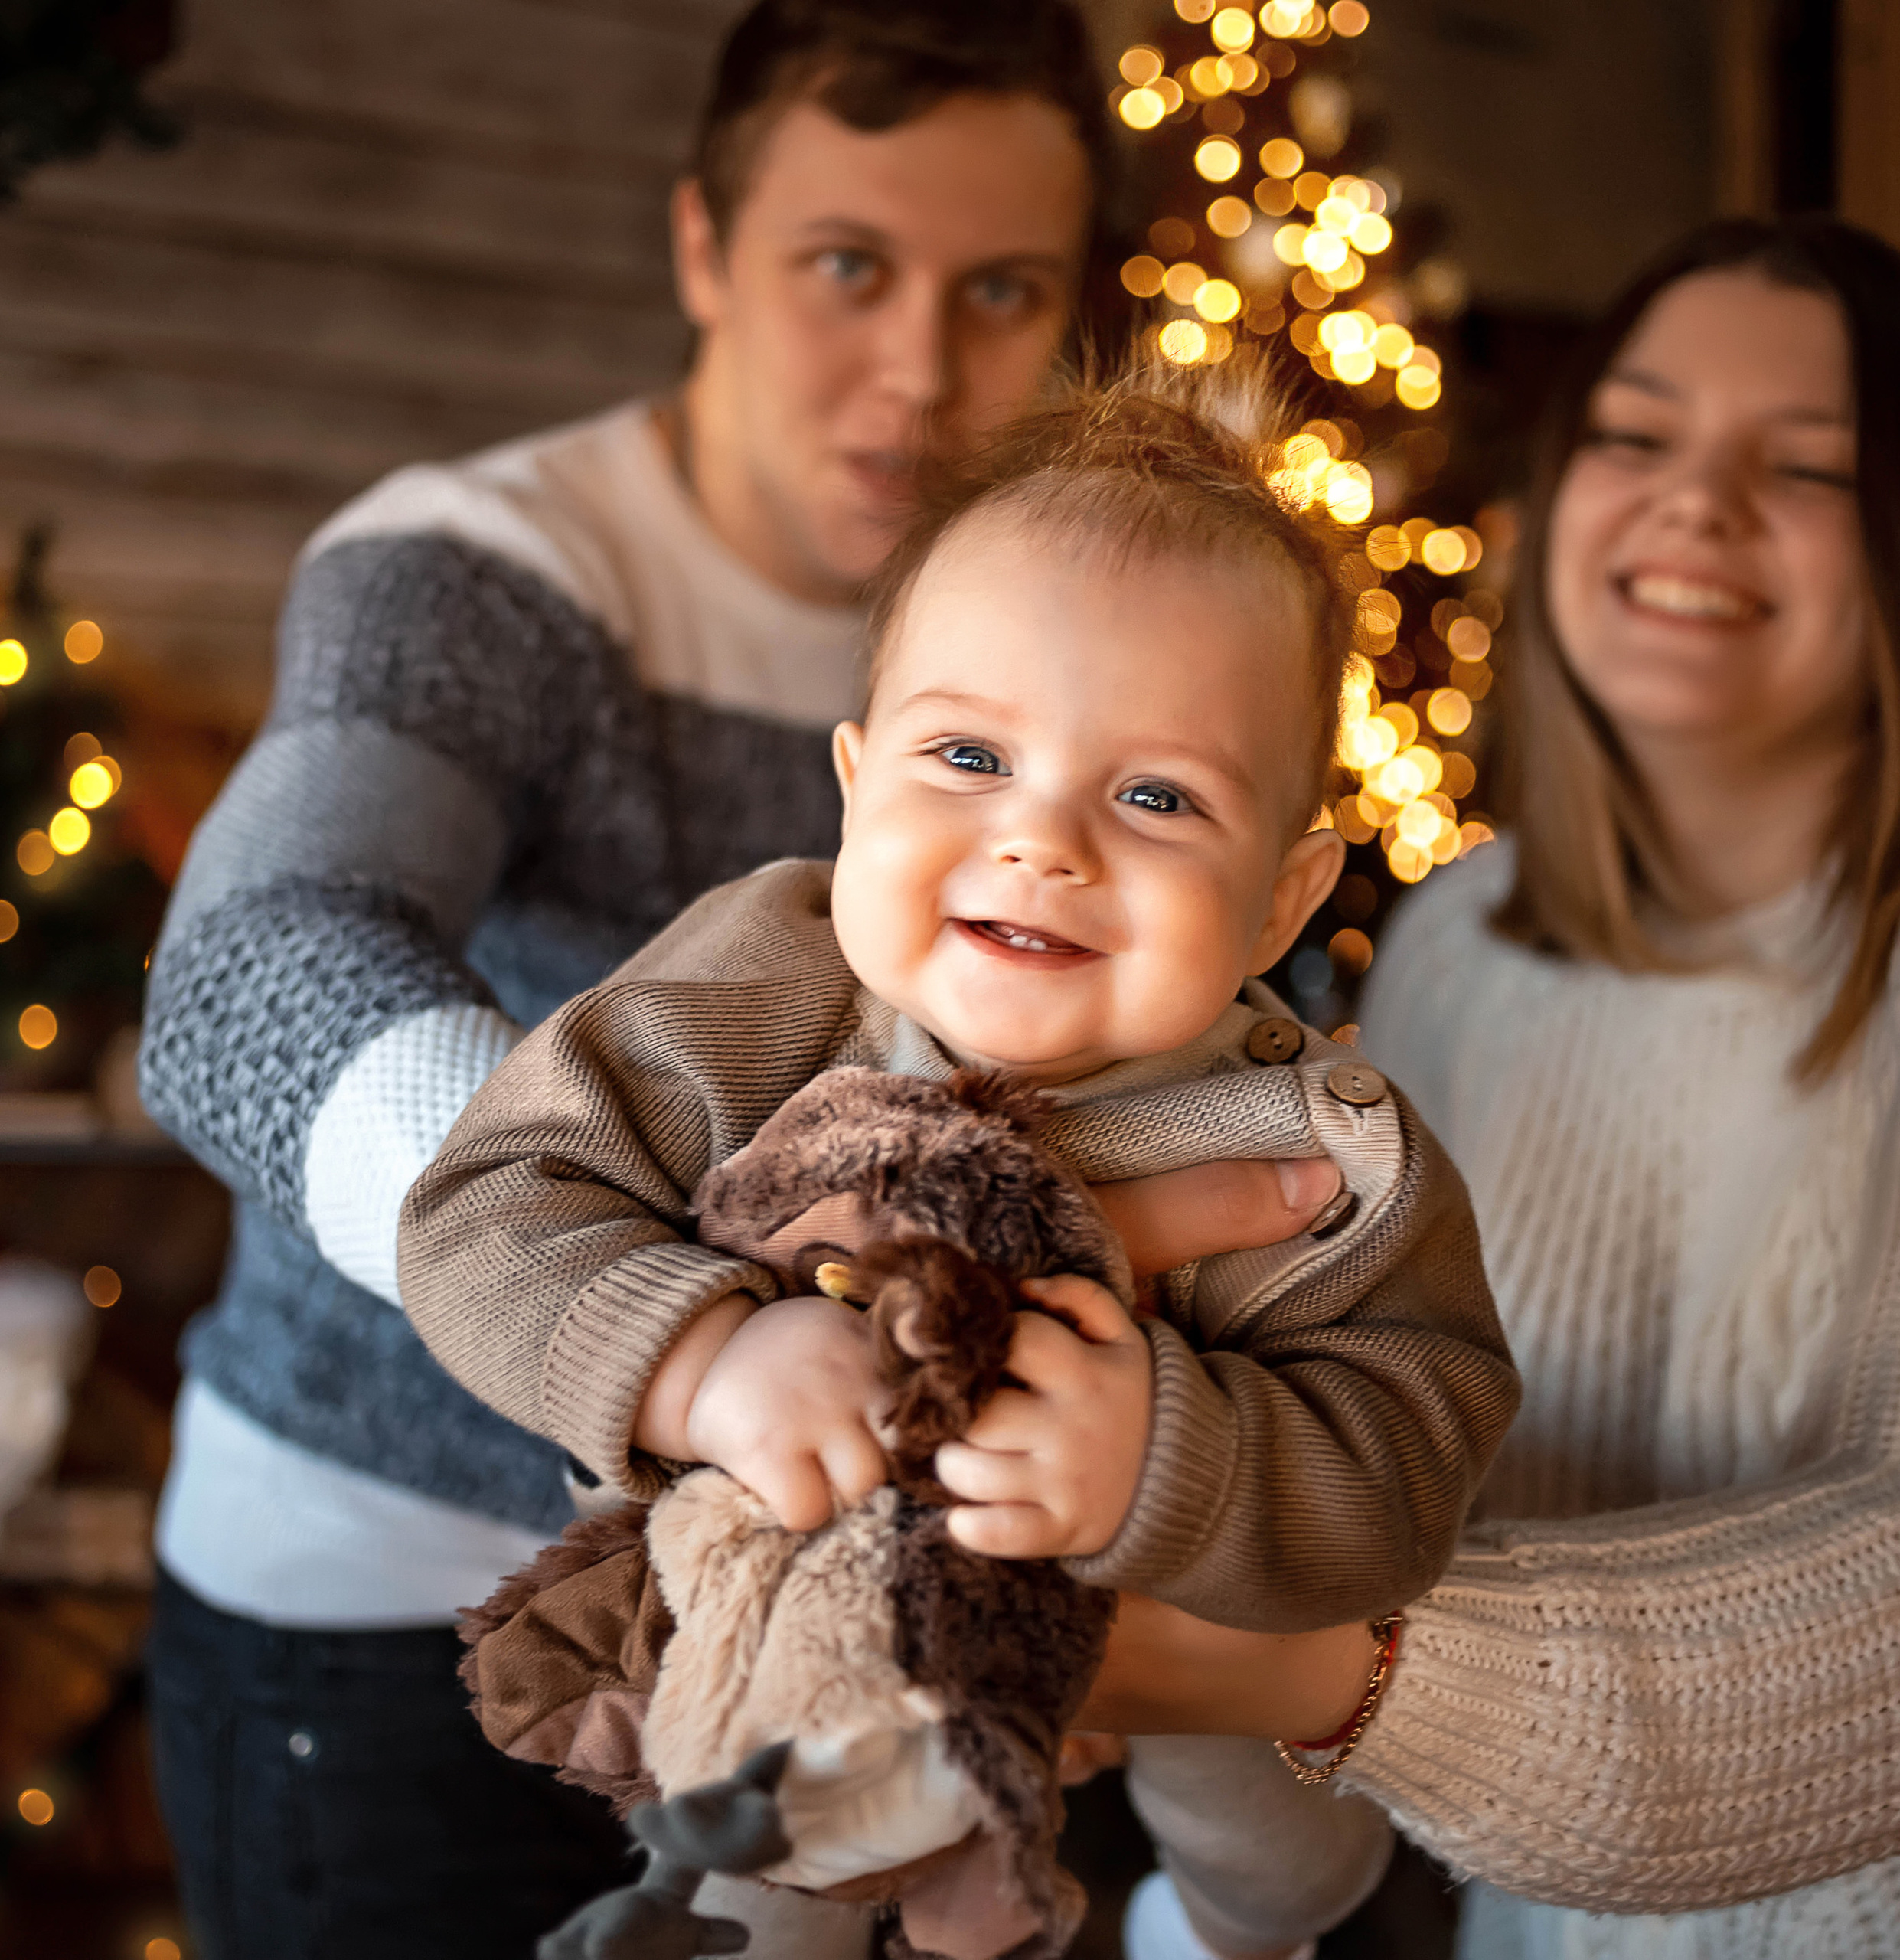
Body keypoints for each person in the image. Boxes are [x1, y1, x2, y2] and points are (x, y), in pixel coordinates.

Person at [134, 8, 1360, 1958]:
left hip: (893, 1597)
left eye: (1002, 290)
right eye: (845, 266)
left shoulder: (1101, 613)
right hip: (395, 1602)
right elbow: (251, 969)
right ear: (704, 246)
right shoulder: (485, 572)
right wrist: (695, 1323)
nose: (918, 367)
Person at [396, 362, 1518, 1942]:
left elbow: (1416, 1444)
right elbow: (484, 1205)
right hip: (802, 1589)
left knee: (1284, 1868)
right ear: (854, 788)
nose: (1040, 839)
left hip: (1177, 1635)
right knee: (763, 1862)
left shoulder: (1315, 1150)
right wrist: (705, 1352)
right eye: (967, 759)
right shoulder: (756, 982)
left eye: (1152, 793)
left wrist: (1170, 1460)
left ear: (1280, 893)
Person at [1077, 214, 1900, 1960]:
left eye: (1804, 467)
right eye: (1632, 435)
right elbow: (1354, 1450)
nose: (1690, 504)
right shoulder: (1459, 933)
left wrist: (1293, 1661)